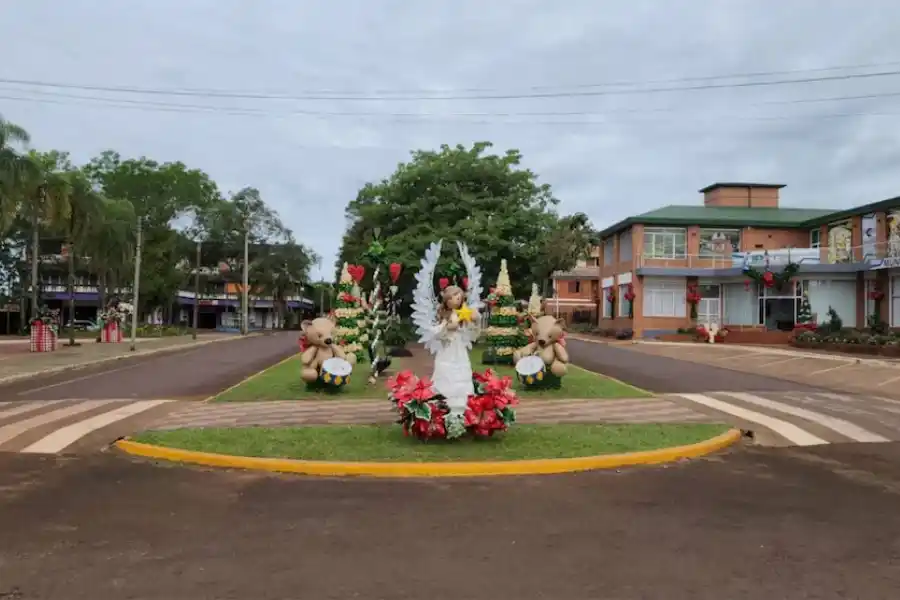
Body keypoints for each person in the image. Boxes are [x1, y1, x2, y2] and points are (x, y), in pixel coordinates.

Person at [430, 285, 479, 414]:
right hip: (447, 351)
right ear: (447, 300)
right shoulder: (444, 315)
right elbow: (436, 333)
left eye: (459, 297)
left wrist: (474, 321)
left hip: (459, 350)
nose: (458, 299)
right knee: (446, 373)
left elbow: (472, 334)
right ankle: (444, 404)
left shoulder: (463, 313)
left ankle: (462, 406)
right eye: (454, 297)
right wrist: (447, 327)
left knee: (461, 373)